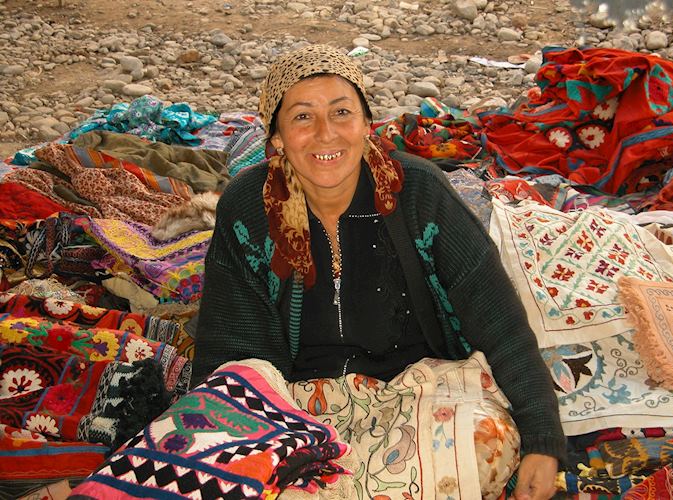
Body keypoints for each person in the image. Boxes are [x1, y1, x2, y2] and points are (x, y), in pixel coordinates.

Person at [193, 44, 566, 500]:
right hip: (296, 405)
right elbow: (231, 351)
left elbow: (497, 317)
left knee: (482, 444)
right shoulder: (249, 207)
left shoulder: (418, 193)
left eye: (342, 112)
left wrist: (544, 439)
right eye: (303, 117)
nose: (326, 134)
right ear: (277, 139)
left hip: (420, 394)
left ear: (367, 125)